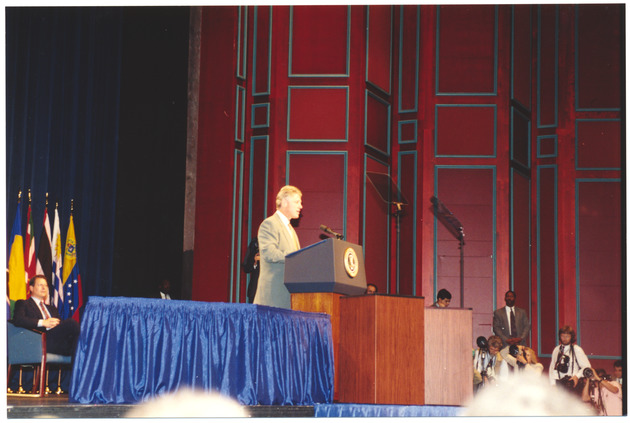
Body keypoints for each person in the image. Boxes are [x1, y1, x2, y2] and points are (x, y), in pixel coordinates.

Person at [253, 185, 302, 309]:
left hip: (288, 298)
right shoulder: (270, 224)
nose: (300, 206)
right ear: (285, 202)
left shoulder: (291, 229)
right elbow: (270, 253)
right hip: (272, 298)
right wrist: (297, 256)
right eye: (297, 202)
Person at [12, 275, 80, 356]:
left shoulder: (52, 309)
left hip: (56, 343)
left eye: (46, 285)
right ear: (31, 288)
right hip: (37, 342)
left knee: (77, 344)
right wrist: (43, 322)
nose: (44, 288)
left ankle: (78, 366)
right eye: (40, 285)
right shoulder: (23, 303)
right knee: (71, 323)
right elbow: (18, 320)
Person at [548, 325, 591, 390]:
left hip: (572, 383)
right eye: (562, 336)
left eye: (567, 336)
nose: (564, 338)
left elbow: (587, 367)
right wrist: (553, 384)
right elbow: (552, 368)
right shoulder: (556, 350)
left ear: (571, 337)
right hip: (558, 383)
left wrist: (577, 376)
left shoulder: (576, 349)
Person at [242, 237, 260, 303]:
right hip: (254, 291)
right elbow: (246, 268)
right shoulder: (254, 244)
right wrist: (254, 261)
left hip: (269, 292)